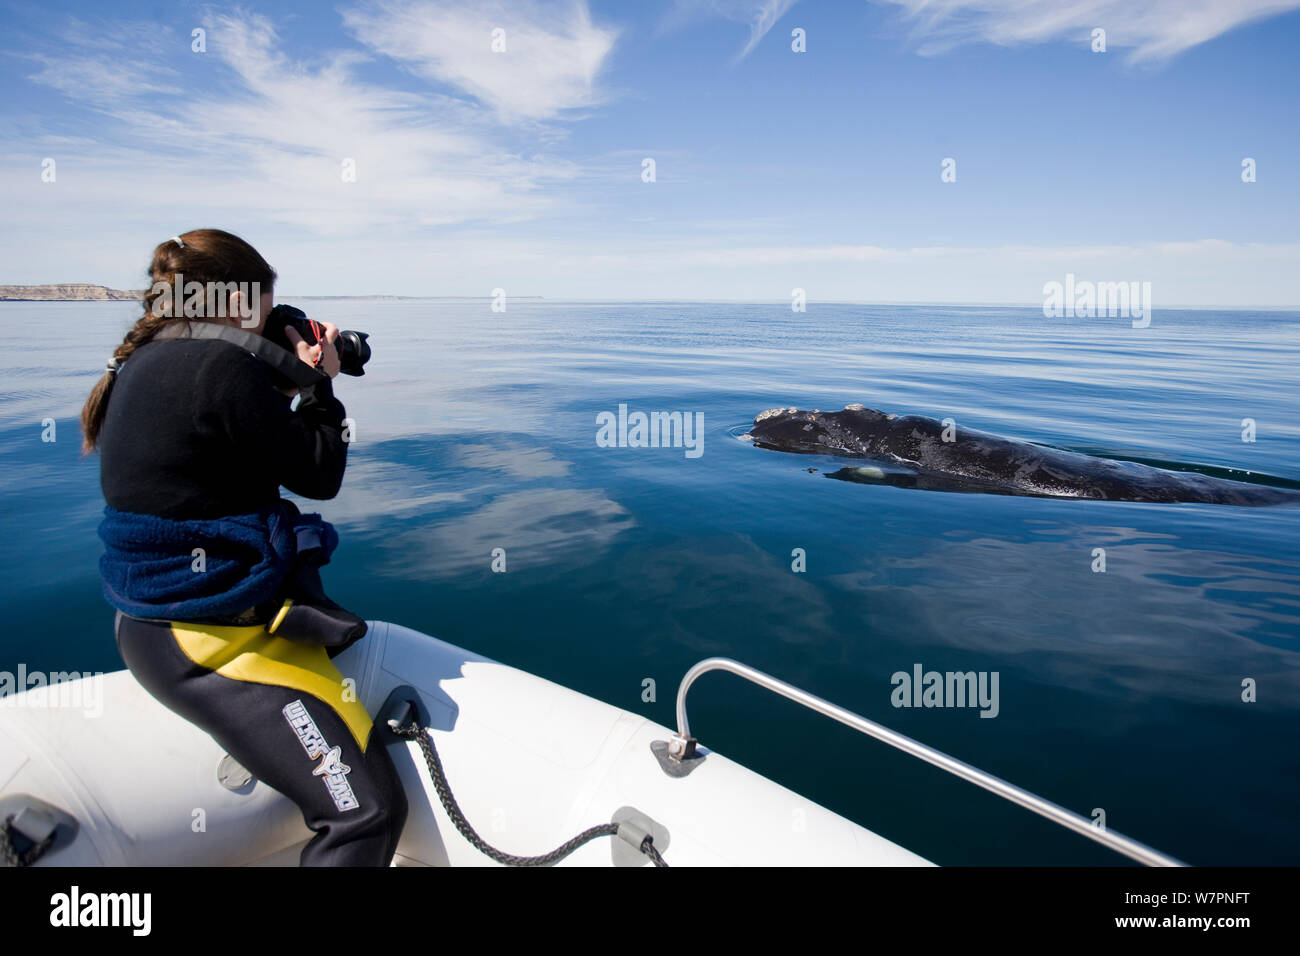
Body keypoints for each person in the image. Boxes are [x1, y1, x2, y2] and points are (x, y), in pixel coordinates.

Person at [80, 228, 407, 866]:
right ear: (238, 301)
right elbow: (321, 474)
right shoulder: (221, 367)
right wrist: (320, 385)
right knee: (366, 814)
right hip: (204, 642)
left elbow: (219, 433)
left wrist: (280, 379)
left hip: (156, 624)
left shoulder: (149, 362)